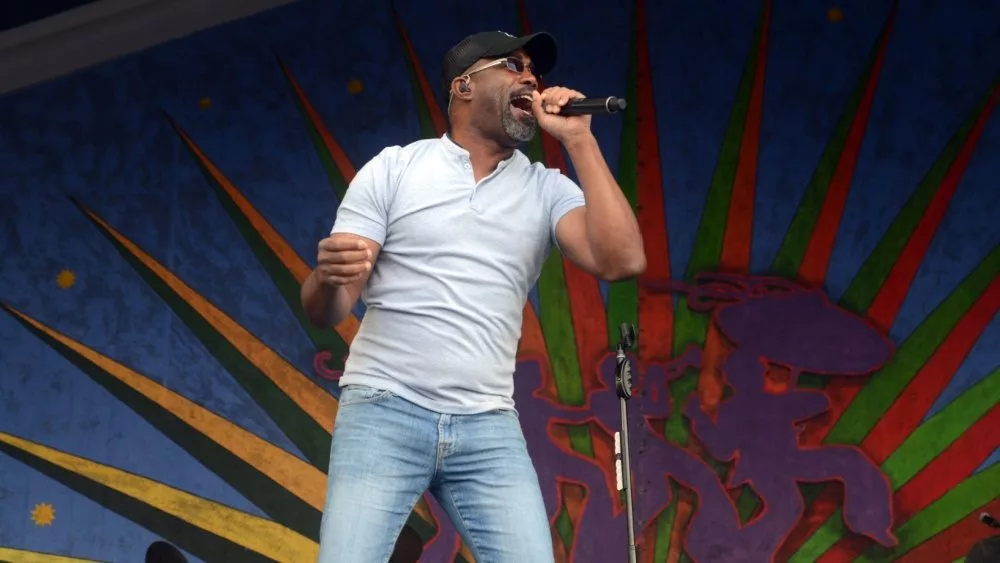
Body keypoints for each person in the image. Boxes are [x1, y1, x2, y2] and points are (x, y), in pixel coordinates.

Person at [301, 29, 645, 562]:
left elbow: (623, 261)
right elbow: (330, 309)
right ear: (464, 86)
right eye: (513, 65)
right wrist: (325, 277)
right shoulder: (395, 168)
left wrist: (579, 139)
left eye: (535, 70)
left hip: (487, 425)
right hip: (384, 410)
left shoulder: (545, 187)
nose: (530, 77)